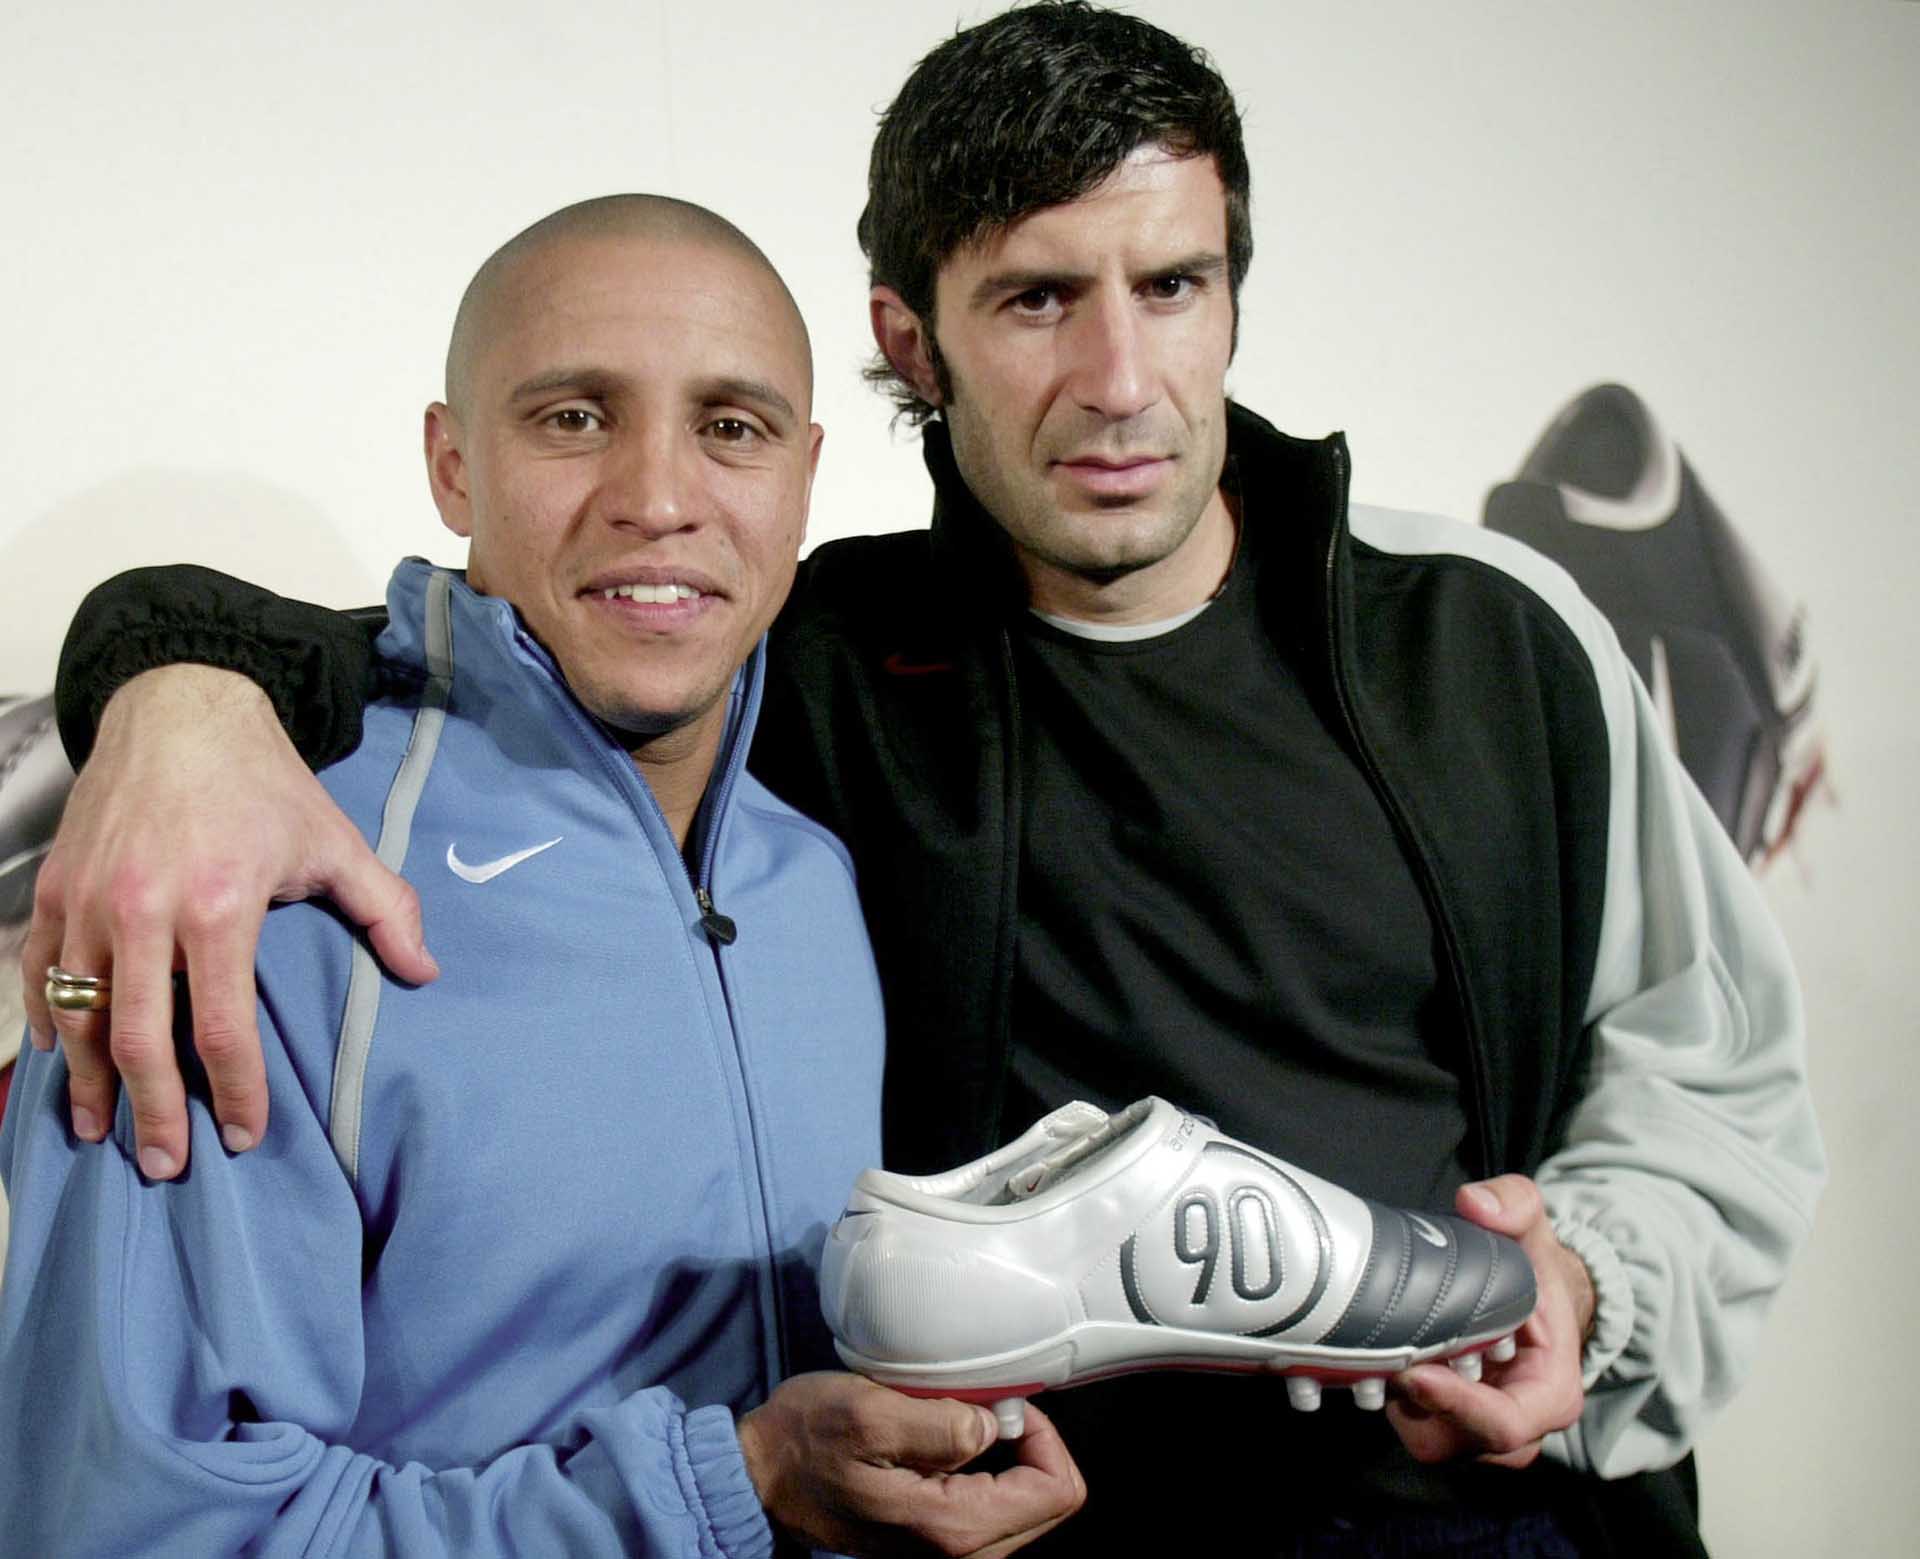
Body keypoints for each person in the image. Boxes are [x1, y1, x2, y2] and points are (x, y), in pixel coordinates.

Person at [24, 4, 1821, 1552]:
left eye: (1173, 286)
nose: (1120, 379)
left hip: (1491, 1526)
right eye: (1039, 299)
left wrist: (1588, 1280)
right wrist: (174, 684)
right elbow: (491, 640)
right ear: (912, 342)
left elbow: (1714, 1081)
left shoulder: (1491, 637)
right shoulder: (803, 665)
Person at [0, 194, 1085, 1557]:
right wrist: (730, 1491)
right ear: (453, 464)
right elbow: (132, 1531)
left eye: (731, 428)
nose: (659, 499)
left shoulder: (816, 873)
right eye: (574, 417)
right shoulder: (237, 883)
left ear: (804, 477)